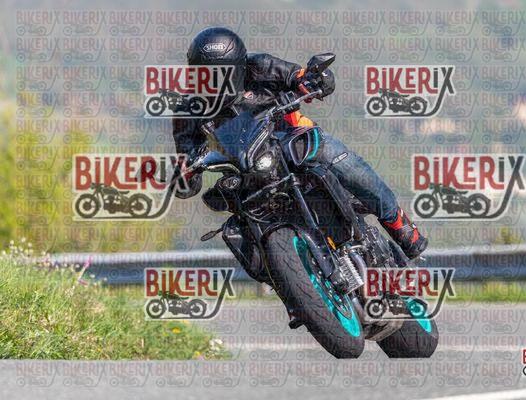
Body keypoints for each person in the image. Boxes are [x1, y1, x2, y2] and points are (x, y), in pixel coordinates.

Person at [172, 27, 428, 268]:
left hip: (293, 142)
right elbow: (186, 158)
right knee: (239, 225)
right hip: (248, 175)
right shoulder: (188, 110)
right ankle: (286, 284)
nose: (215, 81)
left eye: (221, 73)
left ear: (239, 67)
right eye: (205, 74)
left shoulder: (260, 67)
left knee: (340, 161)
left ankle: (399, 224)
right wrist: (184, 175)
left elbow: (299, 77)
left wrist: (317, 79)